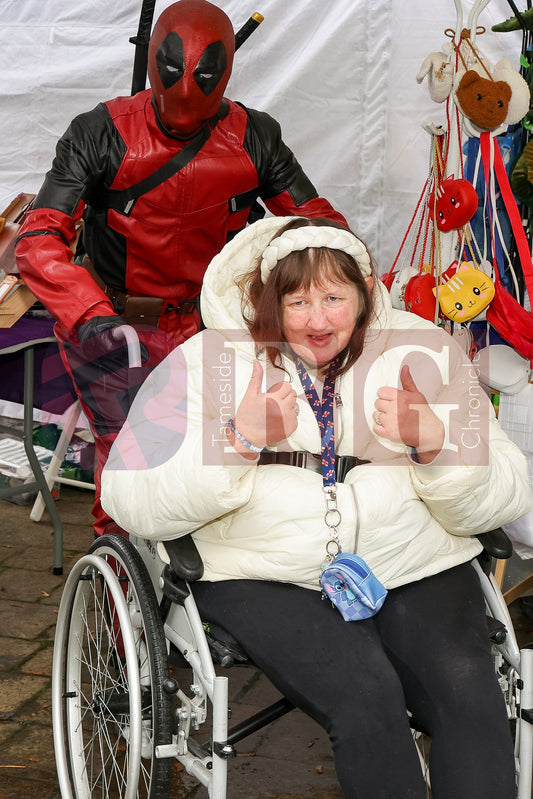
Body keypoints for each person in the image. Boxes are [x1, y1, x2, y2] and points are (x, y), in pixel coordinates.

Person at [101, 215, 531, 799]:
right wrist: (239, 442)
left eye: (334, 296)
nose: (319, 319)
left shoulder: (422, 348)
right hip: (264, 570)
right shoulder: (206, 362)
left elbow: (507, 488)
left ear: (363, 293)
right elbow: (130, 492)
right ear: (267, 300)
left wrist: (437, 442)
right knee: (366, 699)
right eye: (298, 300)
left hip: (412, 557)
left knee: (470, 701)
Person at [15, 0, 346, 535]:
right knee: (130, 456)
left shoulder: (255, 136)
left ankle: (204, 578)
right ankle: (123, 575)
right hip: (116, 322)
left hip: (209, 325)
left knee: (232, 447)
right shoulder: (99, 132)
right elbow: (39, 236)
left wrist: (345, 281)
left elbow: (321, 227)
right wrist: (89, 312)